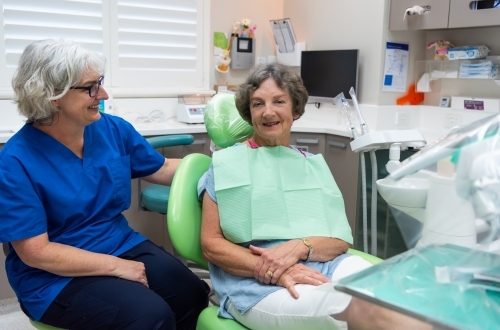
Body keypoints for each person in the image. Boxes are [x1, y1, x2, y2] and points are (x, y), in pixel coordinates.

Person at [198, 62, 432, 330]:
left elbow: (339, 241)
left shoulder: (311, 164)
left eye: (279, 101)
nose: (268, 112)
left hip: (326, 263)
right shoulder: (226, 165)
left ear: (295, 109)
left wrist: (300, 246)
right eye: (258, 104)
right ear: (249, 112)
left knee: (404, 297)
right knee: (362, 312)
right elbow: (211, 244)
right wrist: (280, 268)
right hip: (255, 283)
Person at [0, 39, 210, 330]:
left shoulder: (111, 129)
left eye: (99, 82)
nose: (103, 94)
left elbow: (161, 168)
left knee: (192, 295)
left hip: (119, 243)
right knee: (150, 316)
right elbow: (35, 252)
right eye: (90, 88)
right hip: (54, 275)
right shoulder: (15, 161)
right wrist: (116, 267)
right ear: (52, 96)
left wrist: (224, 168)